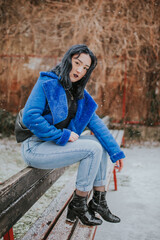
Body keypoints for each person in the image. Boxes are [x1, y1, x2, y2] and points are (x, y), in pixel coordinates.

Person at [19, 44, 125, 226]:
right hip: (34, 147)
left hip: (51, 147)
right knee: (92, 148)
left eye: (85, 68)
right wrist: (61, 135)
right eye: (77, 63)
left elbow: (97, 124)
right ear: (68, 59)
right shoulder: (48, 83)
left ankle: (98, 201)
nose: (79, 70)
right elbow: (30, 117)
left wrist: (116, 153)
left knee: (96, 141)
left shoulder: (78, 94)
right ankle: (79, 202)